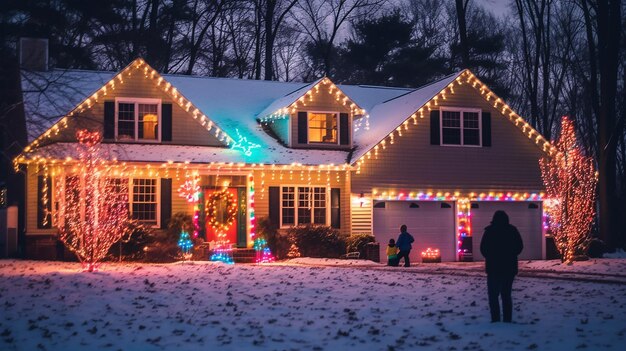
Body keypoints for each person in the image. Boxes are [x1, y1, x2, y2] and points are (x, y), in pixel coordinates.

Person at [480, 210, 524, 323]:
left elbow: (483, 248)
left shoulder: (489, 231)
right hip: (509, 267)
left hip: (493, 267)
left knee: (493, 295)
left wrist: (491, 256)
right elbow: (519, 246)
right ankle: (507, 319)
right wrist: (511, 254)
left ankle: (495, 319)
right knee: (506, 294)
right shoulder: (512, 230)